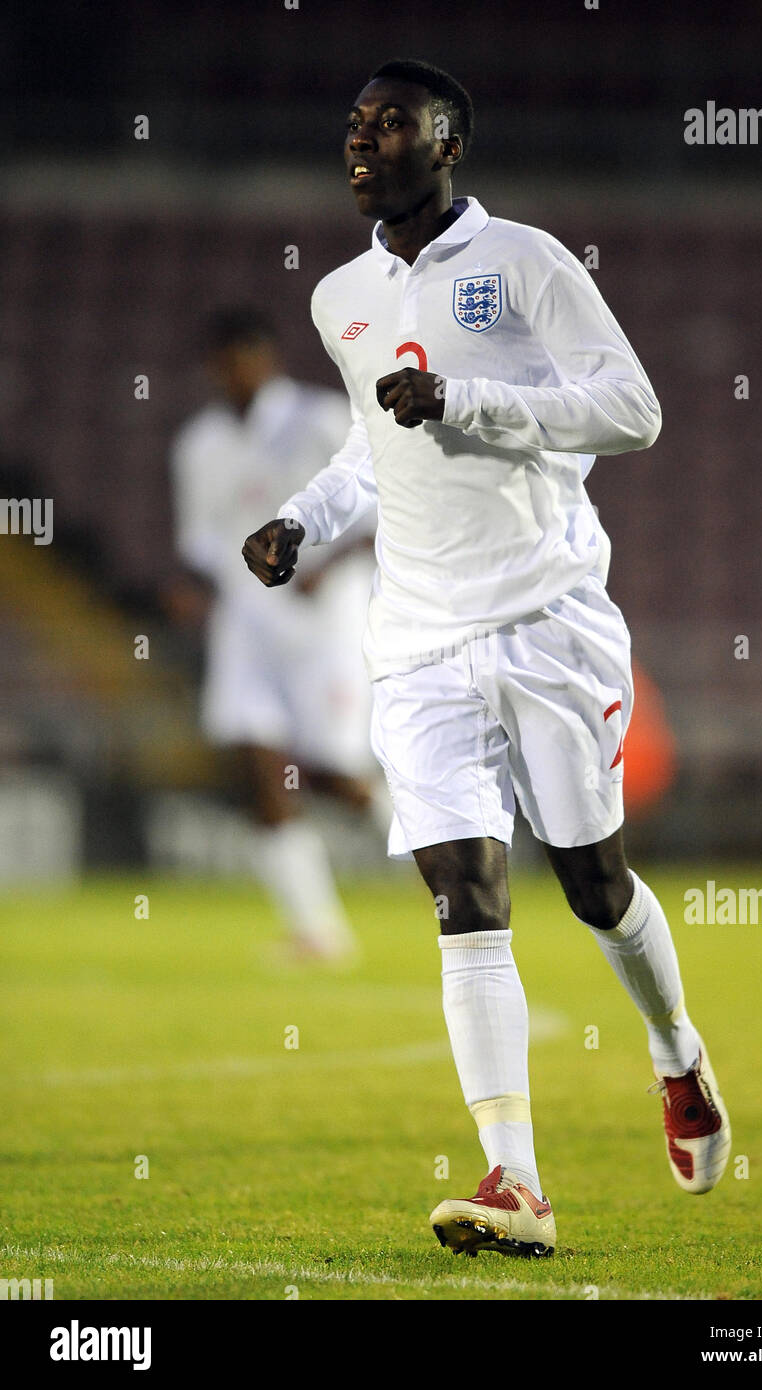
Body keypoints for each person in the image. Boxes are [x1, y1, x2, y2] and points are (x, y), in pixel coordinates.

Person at [242, 61, 731, 1256]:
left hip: (547, 618)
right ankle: (517, 1178)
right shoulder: (342, 296)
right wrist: (302, 519)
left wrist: (470, 400)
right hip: (414, 635)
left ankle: (677, 1055)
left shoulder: (527, 263)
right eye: (353, 121)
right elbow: (372, 444)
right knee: (466, 899)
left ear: (449, 143)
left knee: (593, 887)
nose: (362, 137)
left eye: (390, 122)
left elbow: (633, 408)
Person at [170, 306, 386, 962]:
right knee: (258, 759)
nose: (236, 373)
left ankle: (435, 840)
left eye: (245, 358)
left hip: (326, 619)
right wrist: (199, 587)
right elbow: (203, 541)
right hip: (248, 622)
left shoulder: (323, 420)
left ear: (266, 358)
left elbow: (384, 508)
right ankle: (317, 931)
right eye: (225, 363)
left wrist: (335, 565)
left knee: (330, 771)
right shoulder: (199, 444)